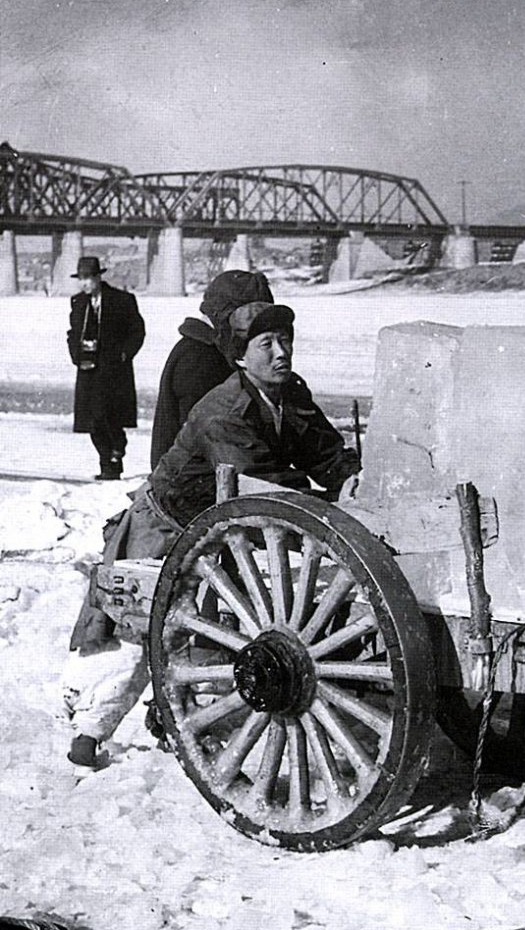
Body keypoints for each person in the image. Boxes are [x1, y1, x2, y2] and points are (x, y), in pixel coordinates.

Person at [63, 301, 361, 768]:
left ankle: (175, 720)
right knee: (143, 632)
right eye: (268, 344)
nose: (282, 353)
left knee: (204, 638)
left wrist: (347, 476)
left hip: (215, 531)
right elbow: (260, 482)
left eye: (286, 340)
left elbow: (321, 449)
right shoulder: (225, 409)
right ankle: (90, 731)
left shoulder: (288, 393)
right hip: (164, 525)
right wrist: (328, 502)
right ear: (241, 355)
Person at [149, 269, 273, 469]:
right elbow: (209, 440)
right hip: (193, 487)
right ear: (225, 317)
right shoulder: (200, 358)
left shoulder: (213, 351)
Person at [67, 256, 146, 480]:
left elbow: (137, 331)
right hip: (88, 369)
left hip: (114, 371)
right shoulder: (78, 303)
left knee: (109, 416)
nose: (84, 284)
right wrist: (75, 354)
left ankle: (115, 455)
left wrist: (124, 354)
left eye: (88, 278)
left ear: (98, 277)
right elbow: (72, 333)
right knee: (92, 421)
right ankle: (107, 462)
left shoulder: (122, 300)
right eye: (81, 279)